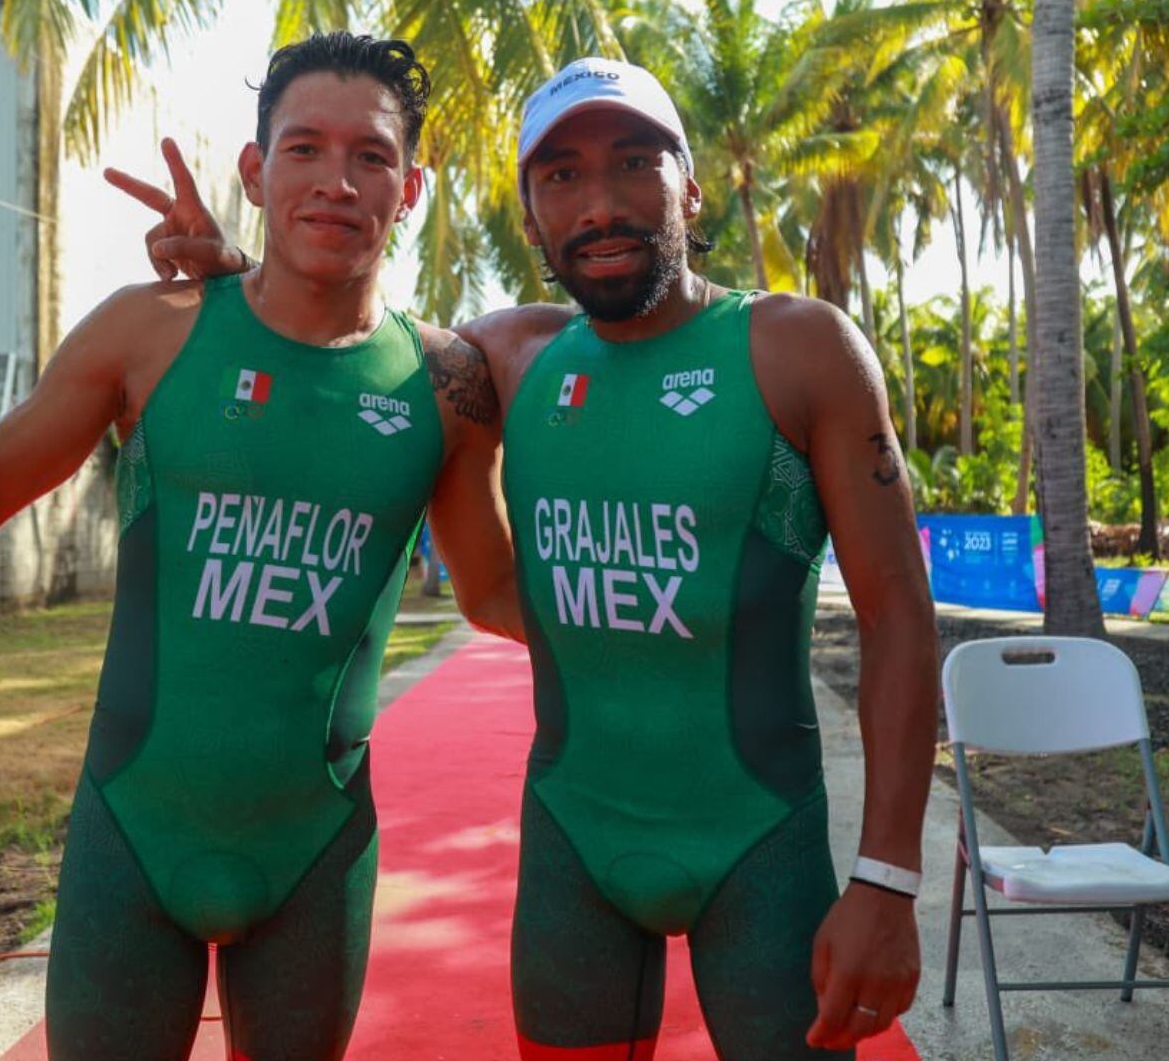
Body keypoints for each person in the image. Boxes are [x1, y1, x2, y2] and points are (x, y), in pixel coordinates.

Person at [133, 56, 939, 1060]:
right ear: (530, 220)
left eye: (633, 163)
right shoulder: (503, 359)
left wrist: (887, 880)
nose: (599, 204)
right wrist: (233, 285)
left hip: (759, 844)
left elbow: (898, 618)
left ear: (688, 186)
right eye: (560, 176)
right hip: (573, 846)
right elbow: (341, 348)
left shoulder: (798, 347)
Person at [0, 33, 518, 1061]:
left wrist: (695, 601)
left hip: (316, 846)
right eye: (302, 149)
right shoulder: (148, 332)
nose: (337, 181)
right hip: (136, 830)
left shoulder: (446, 387)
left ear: (410, 185)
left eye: (370, 157)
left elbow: (495, 591)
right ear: (255, 169)